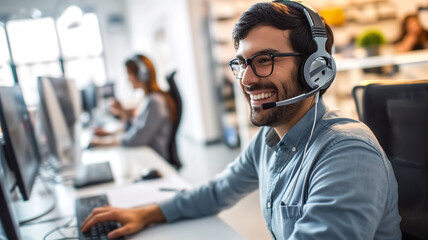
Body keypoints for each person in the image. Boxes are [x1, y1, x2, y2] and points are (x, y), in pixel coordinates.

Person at [81, 1, 401, 239]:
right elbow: (218, 191)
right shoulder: (268, 141)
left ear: (316, 69)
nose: (246, 80)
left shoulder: (347, 154)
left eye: (264, 60)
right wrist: (148, 213)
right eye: (241, 64)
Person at [89, 54, 177, 163]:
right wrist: (122, 115)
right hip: (146, 154)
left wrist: (105, 142)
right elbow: (134, 129)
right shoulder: (147, 98)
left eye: (129, 74)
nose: (128, 79)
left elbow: (136, 138)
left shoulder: (155, 101)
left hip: (155, 159)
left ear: (142, 75)